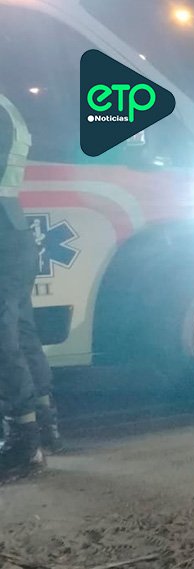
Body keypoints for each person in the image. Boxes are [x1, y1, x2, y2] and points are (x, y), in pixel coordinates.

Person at [0, 91, 61, 482]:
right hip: (13, 226)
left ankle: (24, 443)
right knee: (21, 331)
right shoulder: (7, 104)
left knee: (5, 336)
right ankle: (46, 426)